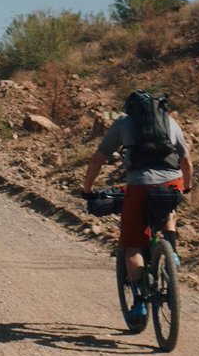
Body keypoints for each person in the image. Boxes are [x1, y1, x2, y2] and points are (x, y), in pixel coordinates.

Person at [81, 91, 193, 327]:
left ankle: (140, 303)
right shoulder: (170, 122)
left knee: (132, 245)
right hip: (172, 182)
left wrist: (87, 189)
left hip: (139, 185)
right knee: (168, 207)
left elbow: (97, 160)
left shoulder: (124, 123)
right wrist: (187, 188)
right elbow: (186, 161)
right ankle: (171, 251)